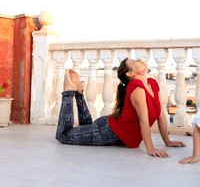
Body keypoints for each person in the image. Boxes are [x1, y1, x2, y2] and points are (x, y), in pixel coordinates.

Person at [56, 58, 185, 157]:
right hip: (108, 131)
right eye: (134, 62)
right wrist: (150, 148)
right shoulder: (137, 86)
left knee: (85, 127)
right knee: (64, 136)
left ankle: (79, 93)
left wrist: (168, 141)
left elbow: (161, 116)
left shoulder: (152, 83)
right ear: (130, 73)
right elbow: (143, 120)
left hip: (113, 131)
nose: (139, 60)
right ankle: (69, 92)